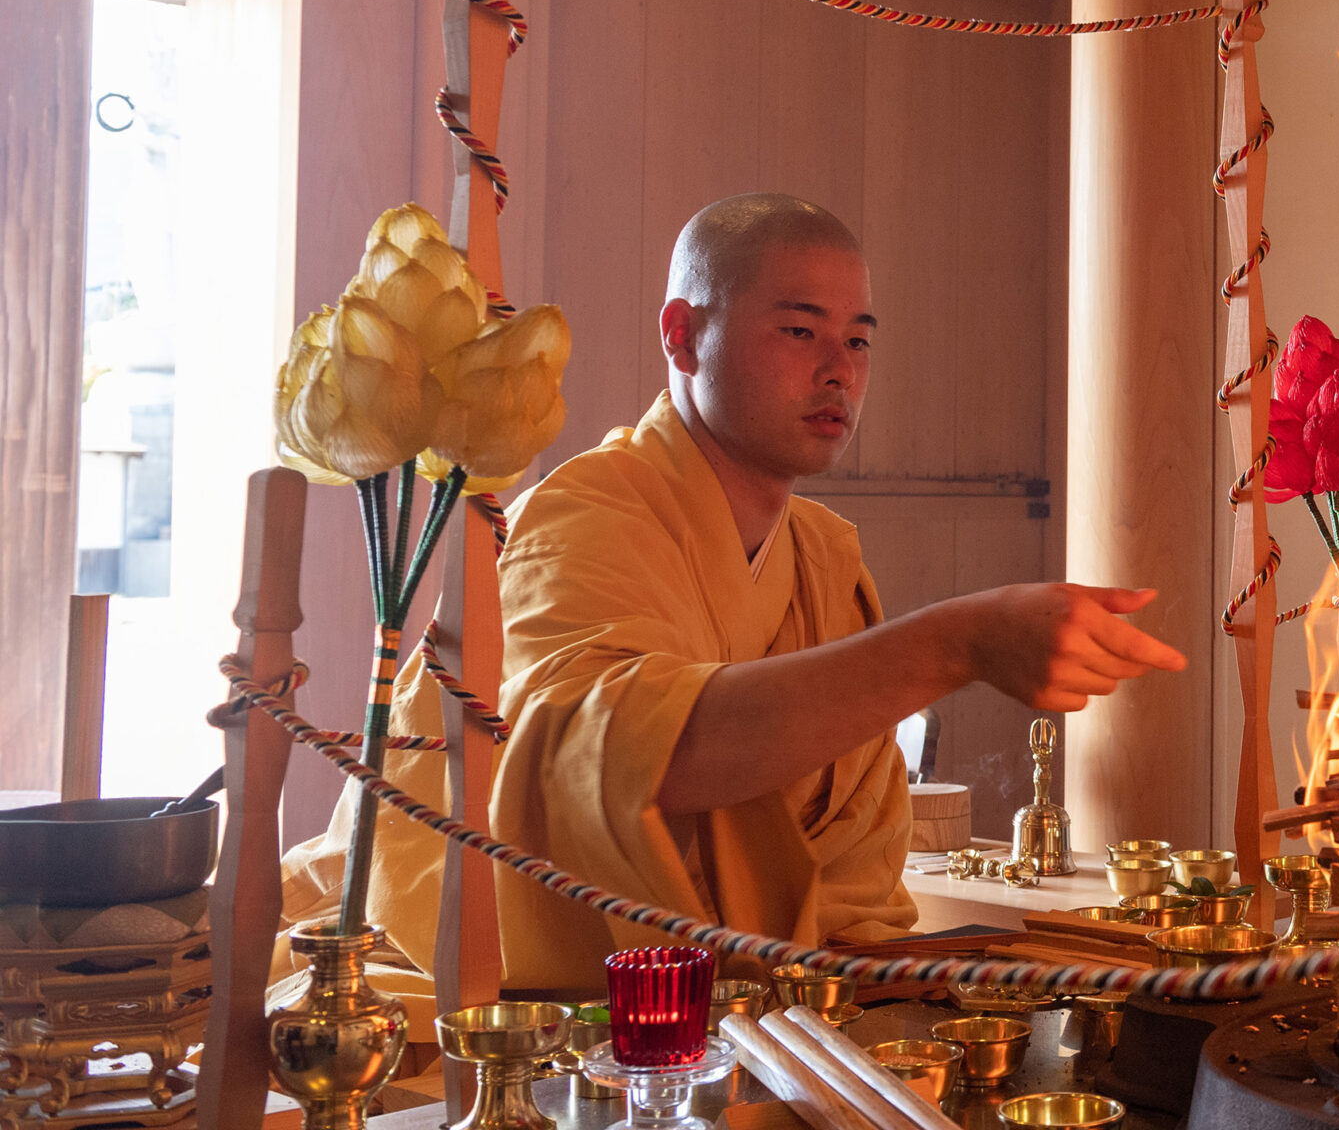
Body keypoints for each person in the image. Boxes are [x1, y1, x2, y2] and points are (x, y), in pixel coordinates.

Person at [277, 194, 1185, 1019]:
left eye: (860, 340)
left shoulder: (822, 556)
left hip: (747, 1009)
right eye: (800, 332)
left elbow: (853, 865)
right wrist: (957, 642)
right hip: (475, 983)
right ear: (682, 336)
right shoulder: (584, 514)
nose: (840, 371)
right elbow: (625, 755)